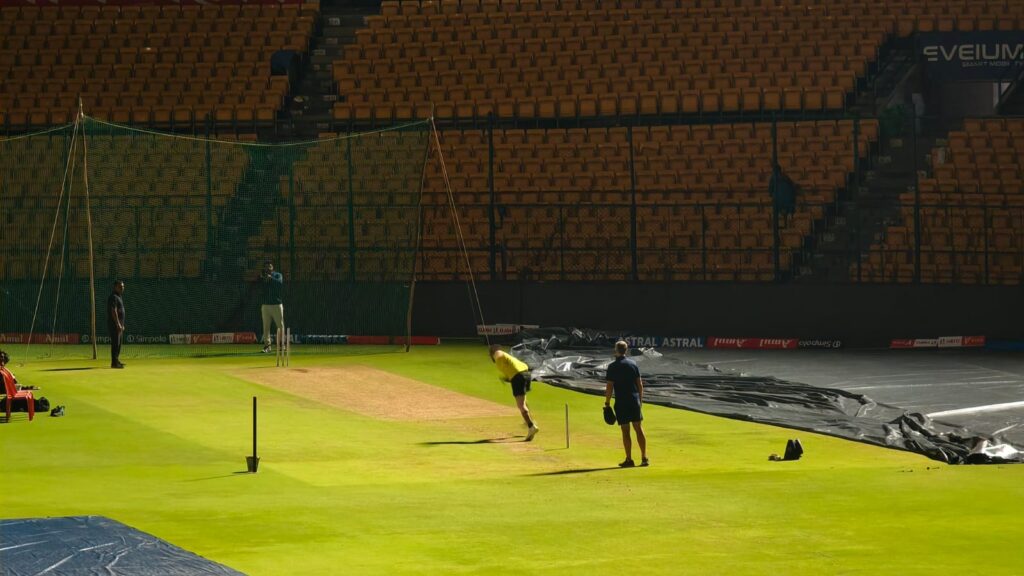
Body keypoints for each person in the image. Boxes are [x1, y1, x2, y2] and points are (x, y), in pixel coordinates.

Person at [604, 340, 648, 467]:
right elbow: (640, 384)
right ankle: (644, 457)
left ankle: (629, 459)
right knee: (638, 429)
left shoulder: (612, 367)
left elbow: (609, 387)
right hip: (634, 400)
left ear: (616, 350)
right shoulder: (633, 364)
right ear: (626, 350)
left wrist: (607, 403)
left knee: (625, 431)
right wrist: (640, 400)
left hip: (622, 402)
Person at [490, 344, 539, 441]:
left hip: (518, 376)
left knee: (521, 405)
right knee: (523, 401)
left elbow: (498, 354)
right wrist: (506, 378)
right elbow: (510, 371)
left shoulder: (498, 354)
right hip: (526, 374)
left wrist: (495, 353)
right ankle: (529, 421)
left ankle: (531, 426)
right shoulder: (505, 360)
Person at [259, 262, 285, 354]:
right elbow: (260, 287)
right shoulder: (262, 276)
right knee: (266, 327)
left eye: (269, 266)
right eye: (266, 266)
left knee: (280, 326)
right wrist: (263, 279)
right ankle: (267, 346)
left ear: (272, 267)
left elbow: (279, 283)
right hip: (265, 305)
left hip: (277, 305)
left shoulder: (277, 275)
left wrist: (271, 278)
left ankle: (282, 345)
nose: (268, 268)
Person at [770, 161, 797, 225]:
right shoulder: (786, 177)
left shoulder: (773, 178)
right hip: (789, 203)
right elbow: (793, 187)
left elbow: (770, 191)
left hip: (780, 202)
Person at [107, 280, 126, 368]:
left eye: (123, 286)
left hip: (119, 325)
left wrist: (122, 324)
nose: (122, 288)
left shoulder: (119, 296)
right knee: (115, 343)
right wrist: (118, 324)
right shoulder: (113, 297)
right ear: (115, 287)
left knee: (119, 343)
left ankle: (116, 360)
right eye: (120, 287)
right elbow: (113, 310)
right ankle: (114, 363)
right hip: (115, 325)